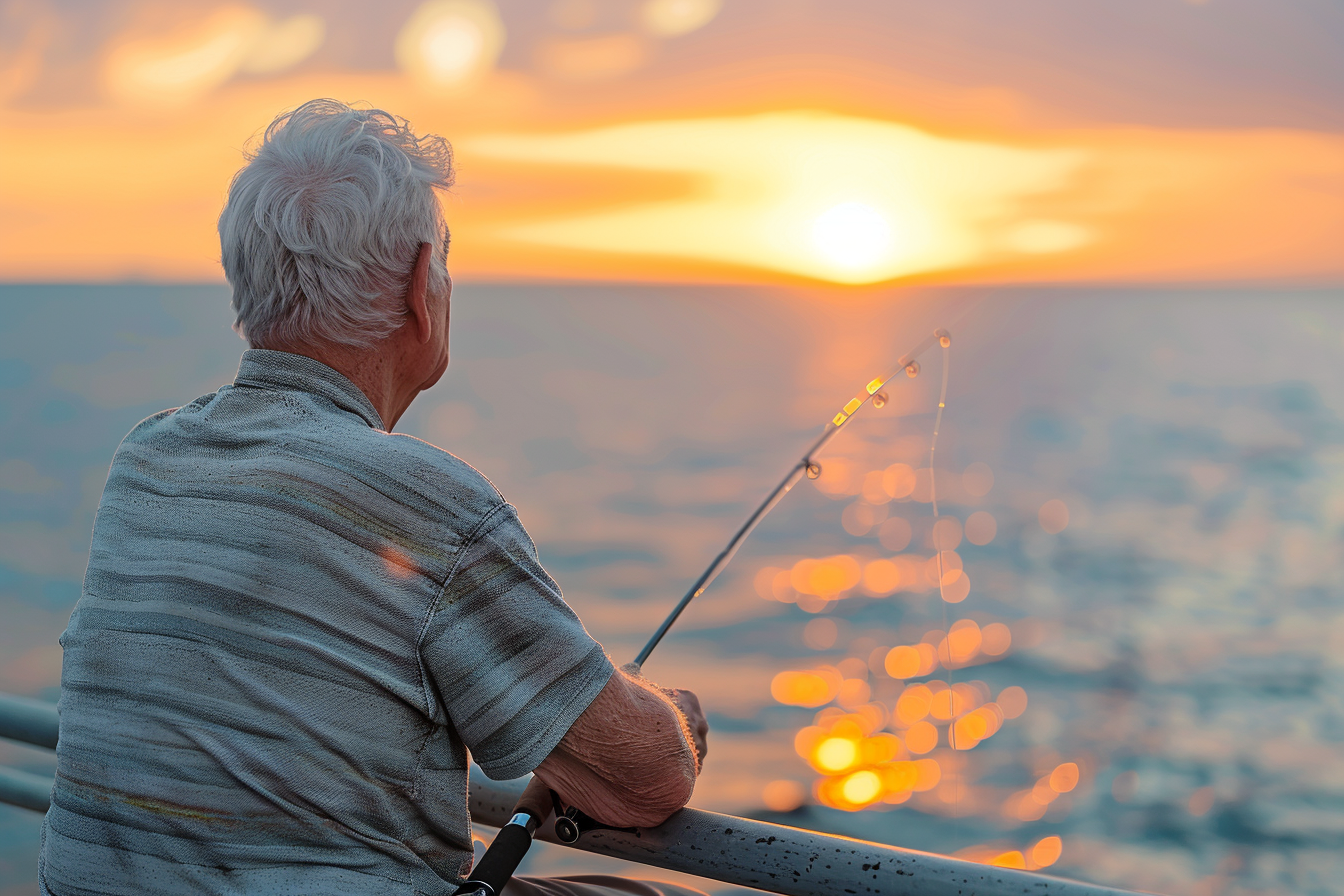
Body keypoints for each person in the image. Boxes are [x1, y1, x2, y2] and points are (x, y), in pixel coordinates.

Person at [38, 99, 710, 896]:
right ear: (424, 287)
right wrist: (670, 718)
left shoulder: (146, 461)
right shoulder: (431, 504)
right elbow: (641, 781)